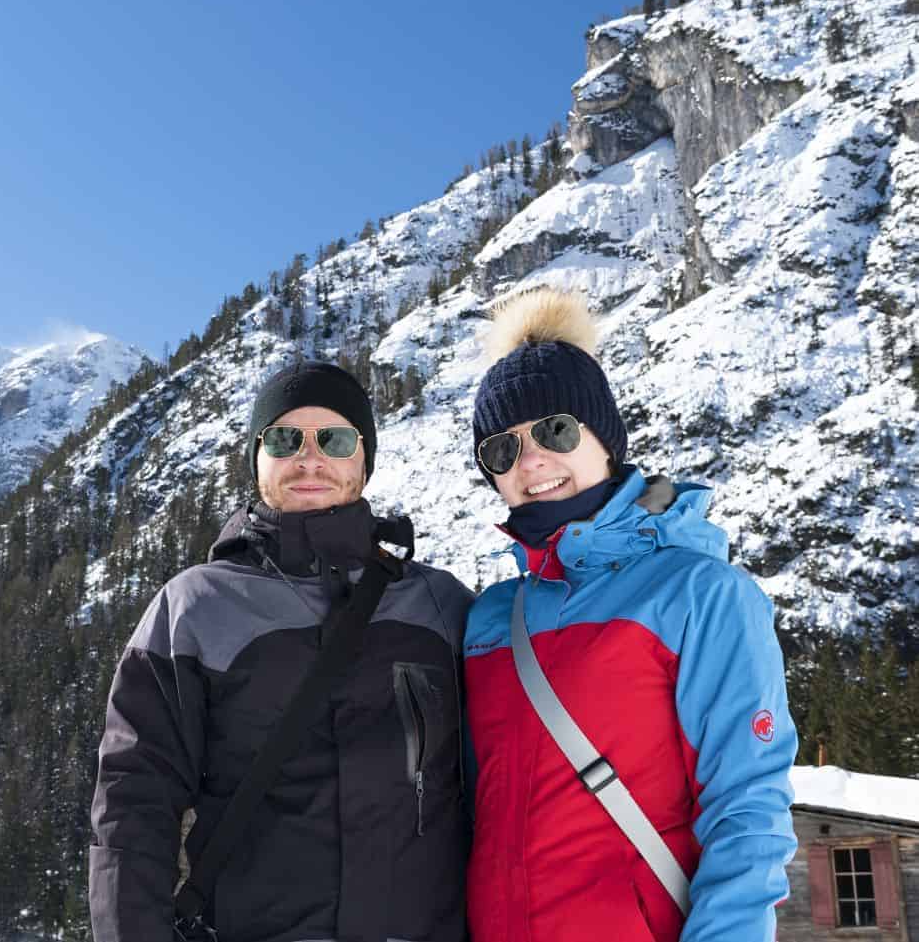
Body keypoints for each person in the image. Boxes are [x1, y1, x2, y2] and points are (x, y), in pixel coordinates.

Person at [89, 359, 473, 942]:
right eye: (286, 438)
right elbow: (134, 804)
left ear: (363, 459)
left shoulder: (441, 606)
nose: (309, 458)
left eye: (335, 439)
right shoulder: (195, 608)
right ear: (258, 456)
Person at [462, 287, 796, 942]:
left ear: (605, 438)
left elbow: (747, 810)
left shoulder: (700, 592)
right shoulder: (490, 620)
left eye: (554, 429)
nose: (530, 460)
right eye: (501, 450)